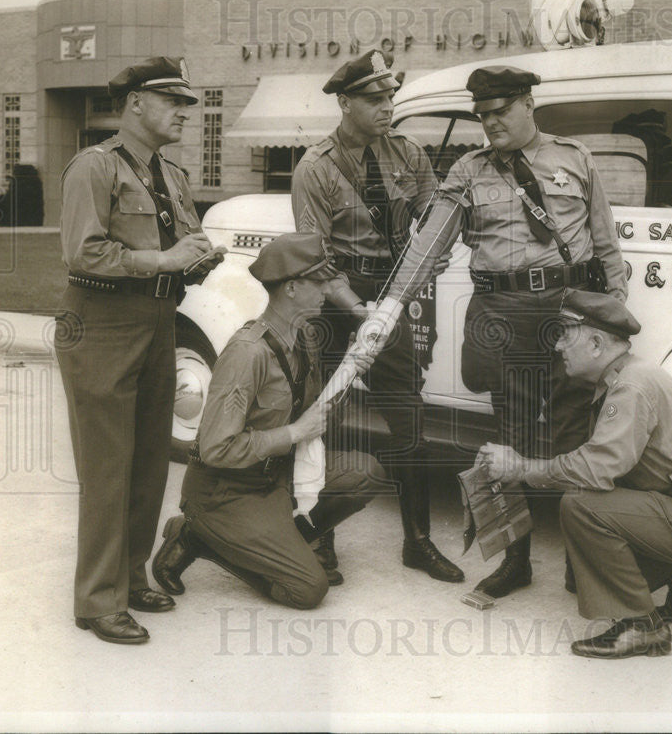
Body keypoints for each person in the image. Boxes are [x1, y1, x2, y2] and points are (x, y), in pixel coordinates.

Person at [383, 65, 628, 599]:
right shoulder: (469, 170)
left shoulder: (574, 158)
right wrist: (390, 306)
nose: (490, 123)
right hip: (504, 312)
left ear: (527, 106)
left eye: (500, 112)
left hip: (569, 312)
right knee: (510, 438)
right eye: (482, 115)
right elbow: (429, 246)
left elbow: (605, 243)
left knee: (574, 436)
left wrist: (611, 318)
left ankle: (580, 563)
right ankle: (516, 561)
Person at [477, 290, 672, 658]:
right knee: (585, 570)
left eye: (565, 334)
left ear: (595, 343)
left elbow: (596, 469)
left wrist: (521, 468)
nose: (559, 345)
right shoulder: (631, 374)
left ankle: (643, 627)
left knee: (581, 506)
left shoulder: (630, 387)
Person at [56, 56, 222, 644]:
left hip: (158, 319)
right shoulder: (94, 167)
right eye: (172, 101)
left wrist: (196, 261)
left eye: (186, 103)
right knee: (107, 468)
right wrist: (163, 260)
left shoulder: (171, 176)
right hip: (100, 322)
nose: (183, 112)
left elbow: (183, 247)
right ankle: (96, 600)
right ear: (135, 103)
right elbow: (83, 253)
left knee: (149, 461)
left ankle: (128, 578)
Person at [290, 49, 463, 584]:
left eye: (390, 96)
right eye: (374, 99)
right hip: (334, 300)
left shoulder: (408, 154)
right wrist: (354, 307)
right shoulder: (315, 168)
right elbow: (312, 257)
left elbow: (437, 220)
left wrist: (419, 273)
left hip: (389, 292)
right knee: (325, 417)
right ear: (345, 103)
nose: (387, 106)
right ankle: (319, 540)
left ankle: (418, 541)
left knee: (408, 418)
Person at [152, 233, 386, 609]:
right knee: (308, 589)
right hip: (226, 491)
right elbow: (216, 448)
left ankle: (274, 543)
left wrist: (350, 372)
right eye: (320, 281)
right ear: (292, 287)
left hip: (274, 478)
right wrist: (294, 432)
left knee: (365, 472)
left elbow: (316, 418)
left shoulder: (304, 337)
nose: (329, 289)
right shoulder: (248, 353)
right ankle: (197, 536)